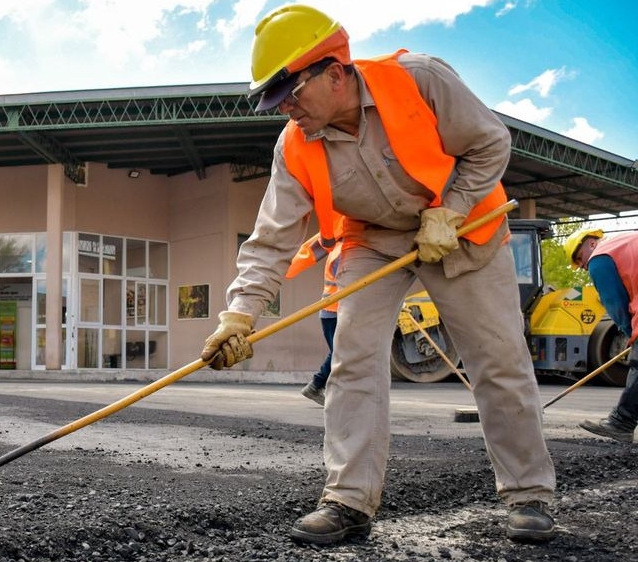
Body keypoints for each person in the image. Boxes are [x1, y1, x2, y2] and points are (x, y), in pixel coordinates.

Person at [199, 4, 556, 545]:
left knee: (498, 360)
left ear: (335, 72)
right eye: (276, 101)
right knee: (353, 363)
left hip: (464, 228)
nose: (286, 110)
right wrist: (238, 316)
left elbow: (490, 142)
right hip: (373, 239)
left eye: (292, 94)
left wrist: (452, 208)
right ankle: (348, 501)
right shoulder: (295, 145)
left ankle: (529, 494)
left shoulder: (420, 80)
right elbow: (271, 238)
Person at [565, 228, 638, 443]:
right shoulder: (626, 242)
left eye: (579, 258)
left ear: (591, 243)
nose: (583, 266)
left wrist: (629, 332)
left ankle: (621, 423)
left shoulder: (601, 257)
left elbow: (615, 303)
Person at [294, 239, 342, 407]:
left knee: (339, 352)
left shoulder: (340, 249)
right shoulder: (342, 251)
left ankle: (317, 386)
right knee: (341, 353)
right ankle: (317, 386)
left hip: (334, 311)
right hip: (335, 311)